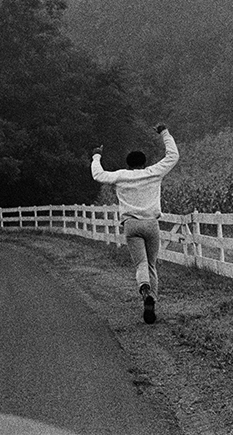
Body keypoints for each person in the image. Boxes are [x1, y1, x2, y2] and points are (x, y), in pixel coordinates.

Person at [91, 124, 179, 324]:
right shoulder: (153, 173)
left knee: (140, 263)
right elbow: (173, 156)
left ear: (128, 164)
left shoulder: (121, 176)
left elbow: (98, 175)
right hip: (150, 223)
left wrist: (97, 156)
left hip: (131, 224)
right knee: (151, 264)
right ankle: (152, 299)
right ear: (144, 162)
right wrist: (164, 133)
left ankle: (144, 288)